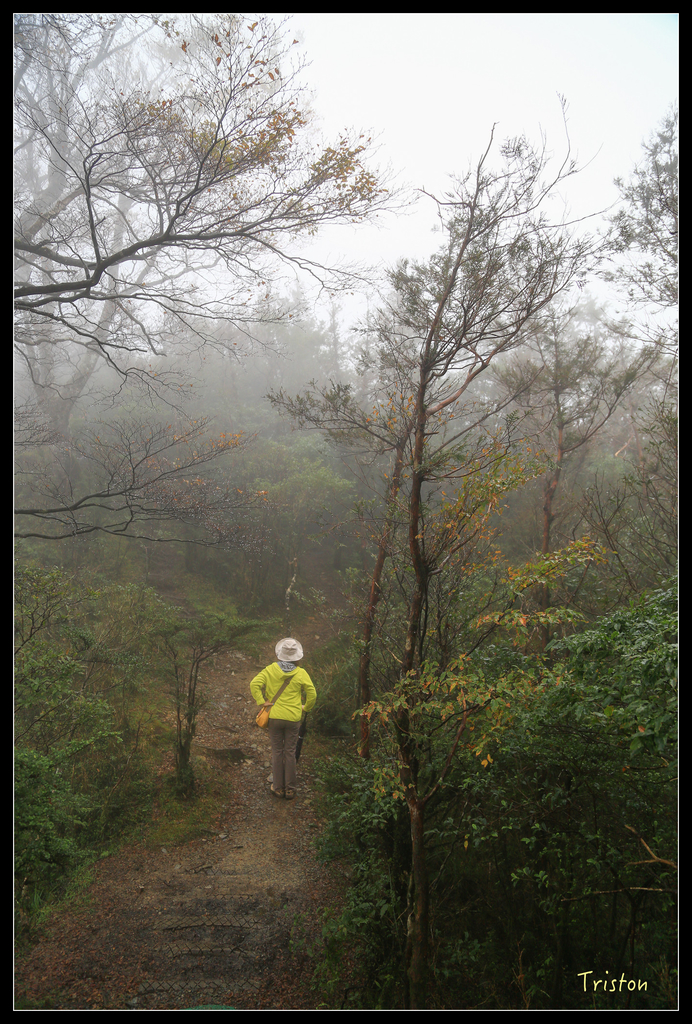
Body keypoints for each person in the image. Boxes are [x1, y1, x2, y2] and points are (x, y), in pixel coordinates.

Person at [250, 638, 316, 800]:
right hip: (293, 718)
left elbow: (254, 684)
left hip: (274, 717)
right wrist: (305, 708)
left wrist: (262, 702)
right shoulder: (301, 673)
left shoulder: (271, 669)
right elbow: (312, 693)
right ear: (297, 656)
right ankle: (290, 789)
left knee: (277, 751)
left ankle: (278, 788)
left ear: (280, 654)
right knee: (290, 752)